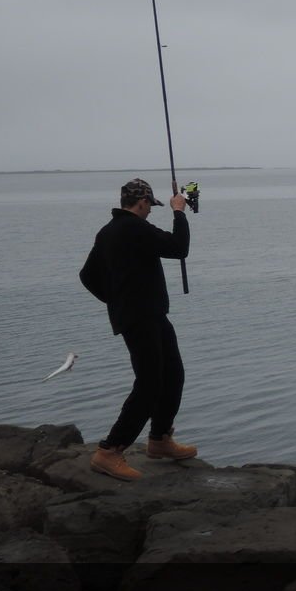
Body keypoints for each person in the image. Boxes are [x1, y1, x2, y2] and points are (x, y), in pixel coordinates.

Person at [79, 178, 197, 481]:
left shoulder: (108, 231)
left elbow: (88, 275)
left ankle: (159, 440)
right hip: (141, 317)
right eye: (150, 206)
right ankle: (109, 451)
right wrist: (179, 211)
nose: (149, 212)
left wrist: (116, 300)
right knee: (149, 383)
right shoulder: (134, 227)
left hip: (149, 315)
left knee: (172, 374)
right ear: (142, 202)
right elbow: (178, 248)